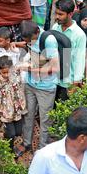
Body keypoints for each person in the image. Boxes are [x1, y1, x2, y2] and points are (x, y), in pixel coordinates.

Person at [18, 20, 59, 153]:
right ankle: (26, 143)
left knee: (45, 119)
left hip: (45, 87)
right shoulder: (29, 35)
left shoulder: (49, 40)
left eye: (32, 40)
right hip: (31, 84)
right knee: (28, 115)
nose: (30, 42)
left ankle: (42, 149)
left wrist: (29, 69)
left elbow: (55, 67)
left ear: (37, 32)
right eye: (27, 41)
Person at [0, 56, 27, 155]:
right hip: (6, 110)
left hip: (17, 108)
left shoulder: (16, 72)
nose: (6, 75)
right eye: (4, 73)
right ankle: (9, 150)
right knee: (11, 134)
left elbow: (25, 65)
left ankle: (2, 135)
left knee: (19, 132)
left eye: (8, 72)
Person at [52, 0, 87, 101]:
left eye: (60, 14)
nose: (57, 17)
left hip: (68, 81)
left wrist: (76, 82)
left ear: (70, 14)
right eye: (56, 13)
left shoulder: (79, 35)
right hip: (53, 78)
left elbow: (79, 60)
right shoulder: (55, 27)